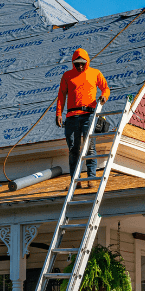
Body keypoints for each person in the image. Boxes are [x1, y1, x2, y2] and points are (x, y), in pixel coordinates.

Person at [55, 48, 110, 188]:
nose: (80, 66)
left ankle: (91, 178)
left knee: (90, 147)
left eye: (82, 63)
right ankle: (75, 181)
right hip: (72, 117)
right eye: (77, 63)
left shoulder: (94, 73)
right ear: (73, 63)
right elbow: (61, 95)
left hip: (88, 115)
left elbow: (106, 88)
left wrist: (104, 97)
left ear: (87, 62)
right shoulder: (67, 76)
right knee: (73, 149)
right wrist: (58, 113)